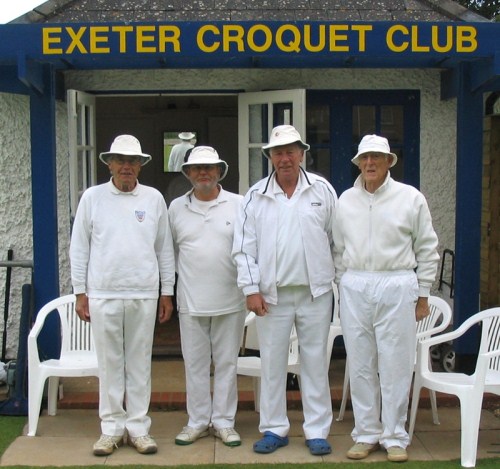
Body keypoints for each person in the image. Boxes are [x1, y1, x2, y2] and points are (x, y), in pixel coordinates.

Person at [332, 134, 439, 463]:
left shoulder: (410, 198)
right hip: (356, 284)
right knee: (362, 362)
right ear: (358, 163)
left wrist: (423, 294)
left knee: (395, 362)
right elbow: (338, 250)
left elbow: (427, 248)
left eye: (377, 158)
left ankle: (394, 435)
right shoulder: (345, 201)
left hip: (397, 282)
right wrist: (343, 285)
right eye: (365, 159)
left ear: (389, 161)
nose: (370, 164)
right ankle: (366, 433)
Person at [232, 124, 338, 456]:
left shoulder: (322, 190)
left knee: (315, 363)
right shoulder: (255, 195)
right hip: (271, 297)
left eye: (291, 151)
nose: (285, 158)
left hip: (315, 294)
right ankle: (275, 428)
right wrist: (251, 289)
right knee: (273, 364)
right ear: (270, 157)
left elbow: (338, 242)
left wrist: (337, 283)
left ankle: (317, 430)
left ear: (302, 153)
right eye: (278, 152)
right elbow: (244, 249)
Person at [70, 134, 175, 456]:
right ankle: (112, 429)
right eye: (121, 161)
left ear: (141, 165)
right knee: (110, 364)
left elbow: (164, 249)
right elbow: (79, 247)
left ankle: (139, 428)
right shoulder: (92, 197)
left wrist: (166, 292)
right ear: (110, 164)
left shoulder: (154, 198)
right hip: (103, 292)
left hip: (143, 292)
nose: (127, 167)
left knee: (140, 363)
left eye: (133, 161)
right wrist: (80, 292)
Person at [169, 146, 246, 447]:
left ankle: (224, 422)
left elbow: (248, 249)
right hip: (191, 300)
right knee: (195, 364)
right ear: (188, 173)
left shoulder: (239, 204)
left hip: (231, 299)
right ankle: (198, 421)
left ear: (219, 172)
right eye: (197, 168)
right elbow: (170, 253)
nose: (203, 172)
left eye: (209, 167)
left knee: (227, 363)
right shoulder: (176, 208)